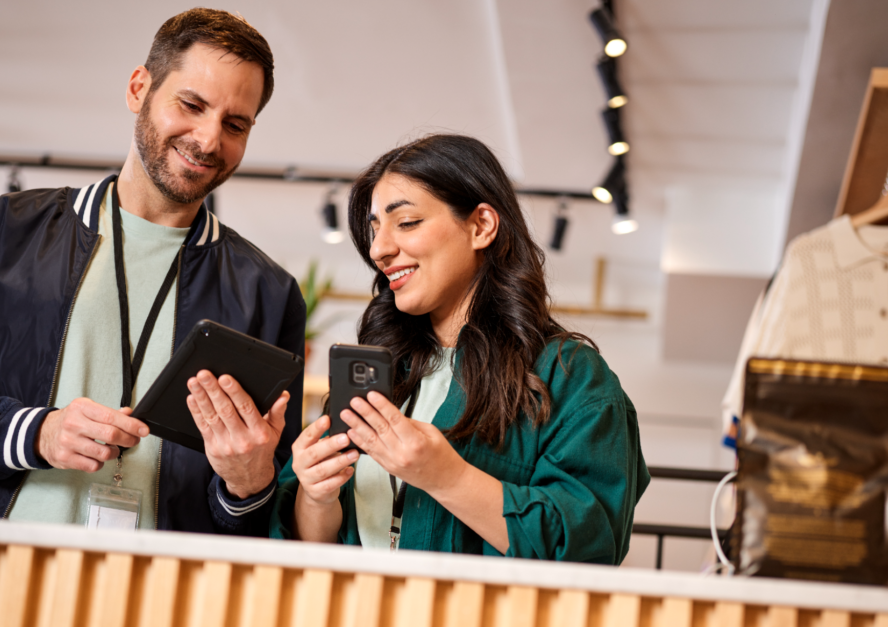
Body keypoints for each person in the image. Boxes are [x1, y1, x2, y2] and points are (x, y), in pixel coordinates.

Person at [0, 8, 305, 535]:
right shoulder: (5, 232)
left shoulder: (267, 293)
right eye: (191, 104)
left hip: (160, 596)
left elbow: (267, 507)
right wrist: (36, 433)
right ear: (139, 88)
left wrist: (247, 483)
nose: (208, 140)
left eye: (234, 124)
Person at [271, 134, 648, 562]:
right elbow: (312, 550)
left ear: (482, 226)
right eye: (374, 228)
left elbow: (590, 547)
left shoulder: (570, 377)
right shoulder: (383, 370)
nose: (378, 249)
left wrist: (447, 478)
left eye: (406, 222)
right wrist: (316, 497)